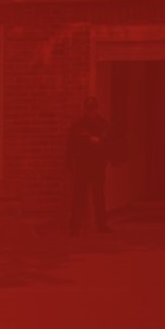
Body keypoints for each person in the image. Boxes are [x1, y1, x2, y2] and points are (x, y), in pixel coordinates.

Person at [67, 96, 114, 235]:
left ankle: (101, 224)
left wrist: (108, 159)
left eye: (93, 109)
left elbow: (107, 144)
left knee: (98, 195)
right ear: (85, 110)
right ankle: (74, 226)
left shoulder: (104, 125)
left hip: (98, 165)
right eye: (88, 109)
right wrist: (69, 163)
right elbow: (71, 146)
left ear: (97, 109)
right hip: (82, 165)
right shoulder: (78, 125)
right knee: (79, 196)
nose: (91, 112)